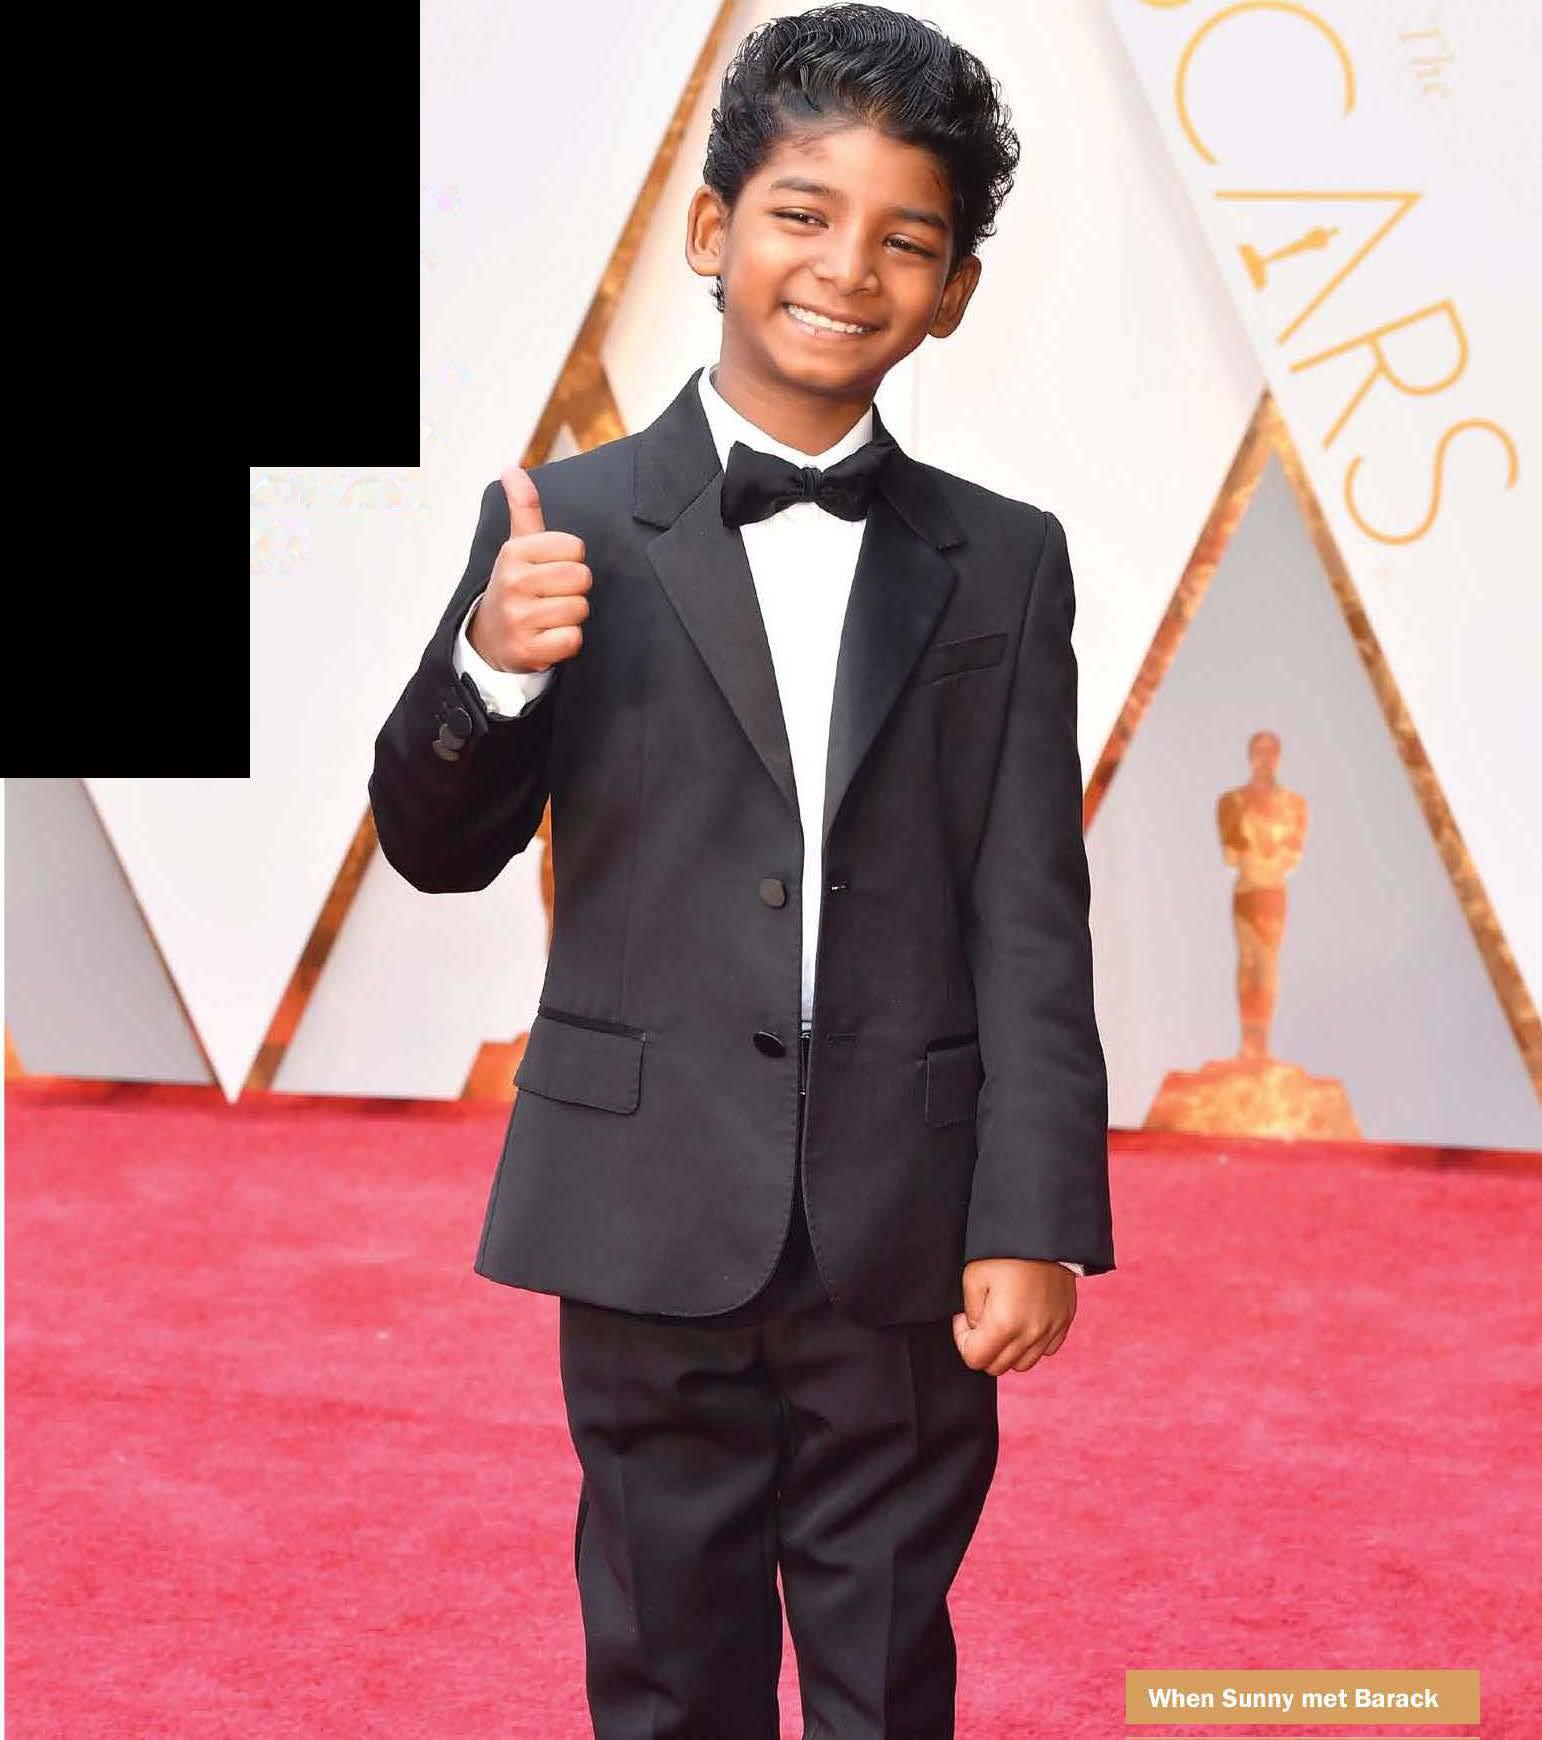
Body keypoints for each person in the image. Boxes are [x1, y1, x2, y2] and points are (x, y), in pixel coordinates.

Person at [370, 6, 1114, 1734]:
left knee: (883, 1668)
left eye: (904, 239)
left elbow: (1028, 911)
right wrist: (489, 669)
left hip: (904, 1221)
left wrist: (1033, 1216)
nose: (845, 268)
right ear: (711, 231)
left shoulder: (1005, 562)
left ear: (953, 292)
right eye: (800, 212)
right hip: (643, 1206)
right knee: (664, 1665)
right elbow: (433, 846)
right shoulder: (562, 523)